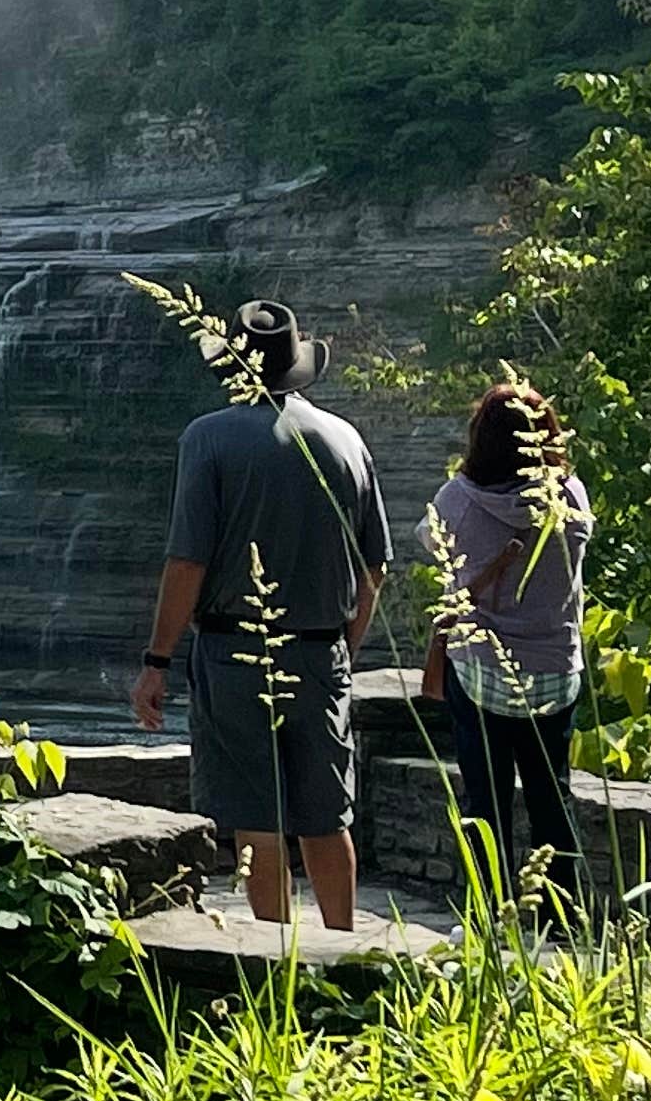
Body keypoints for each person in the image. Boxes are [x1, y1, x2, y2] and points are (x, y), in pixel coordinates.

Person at [129, 298, 389, 929]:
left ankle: (277, 961)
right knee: (327, 820)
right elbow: (375, 567)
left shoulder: (208, 439)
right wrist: (341, 650)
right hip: (321, 651)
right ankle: (345, 954)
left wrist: (157, 661)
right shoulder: (345, 440)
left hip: (235, 654)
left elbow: (187, 562)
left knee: (260, 821)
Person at [424, 381, 592, 897]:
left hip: (483, 677)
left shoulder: (456, 501)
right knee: (551, 798)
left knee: (485, 804)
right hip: (553, 673)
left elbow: (440, 560)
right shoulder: (569, 497)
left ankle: (490, 913)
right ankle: (563, 913)